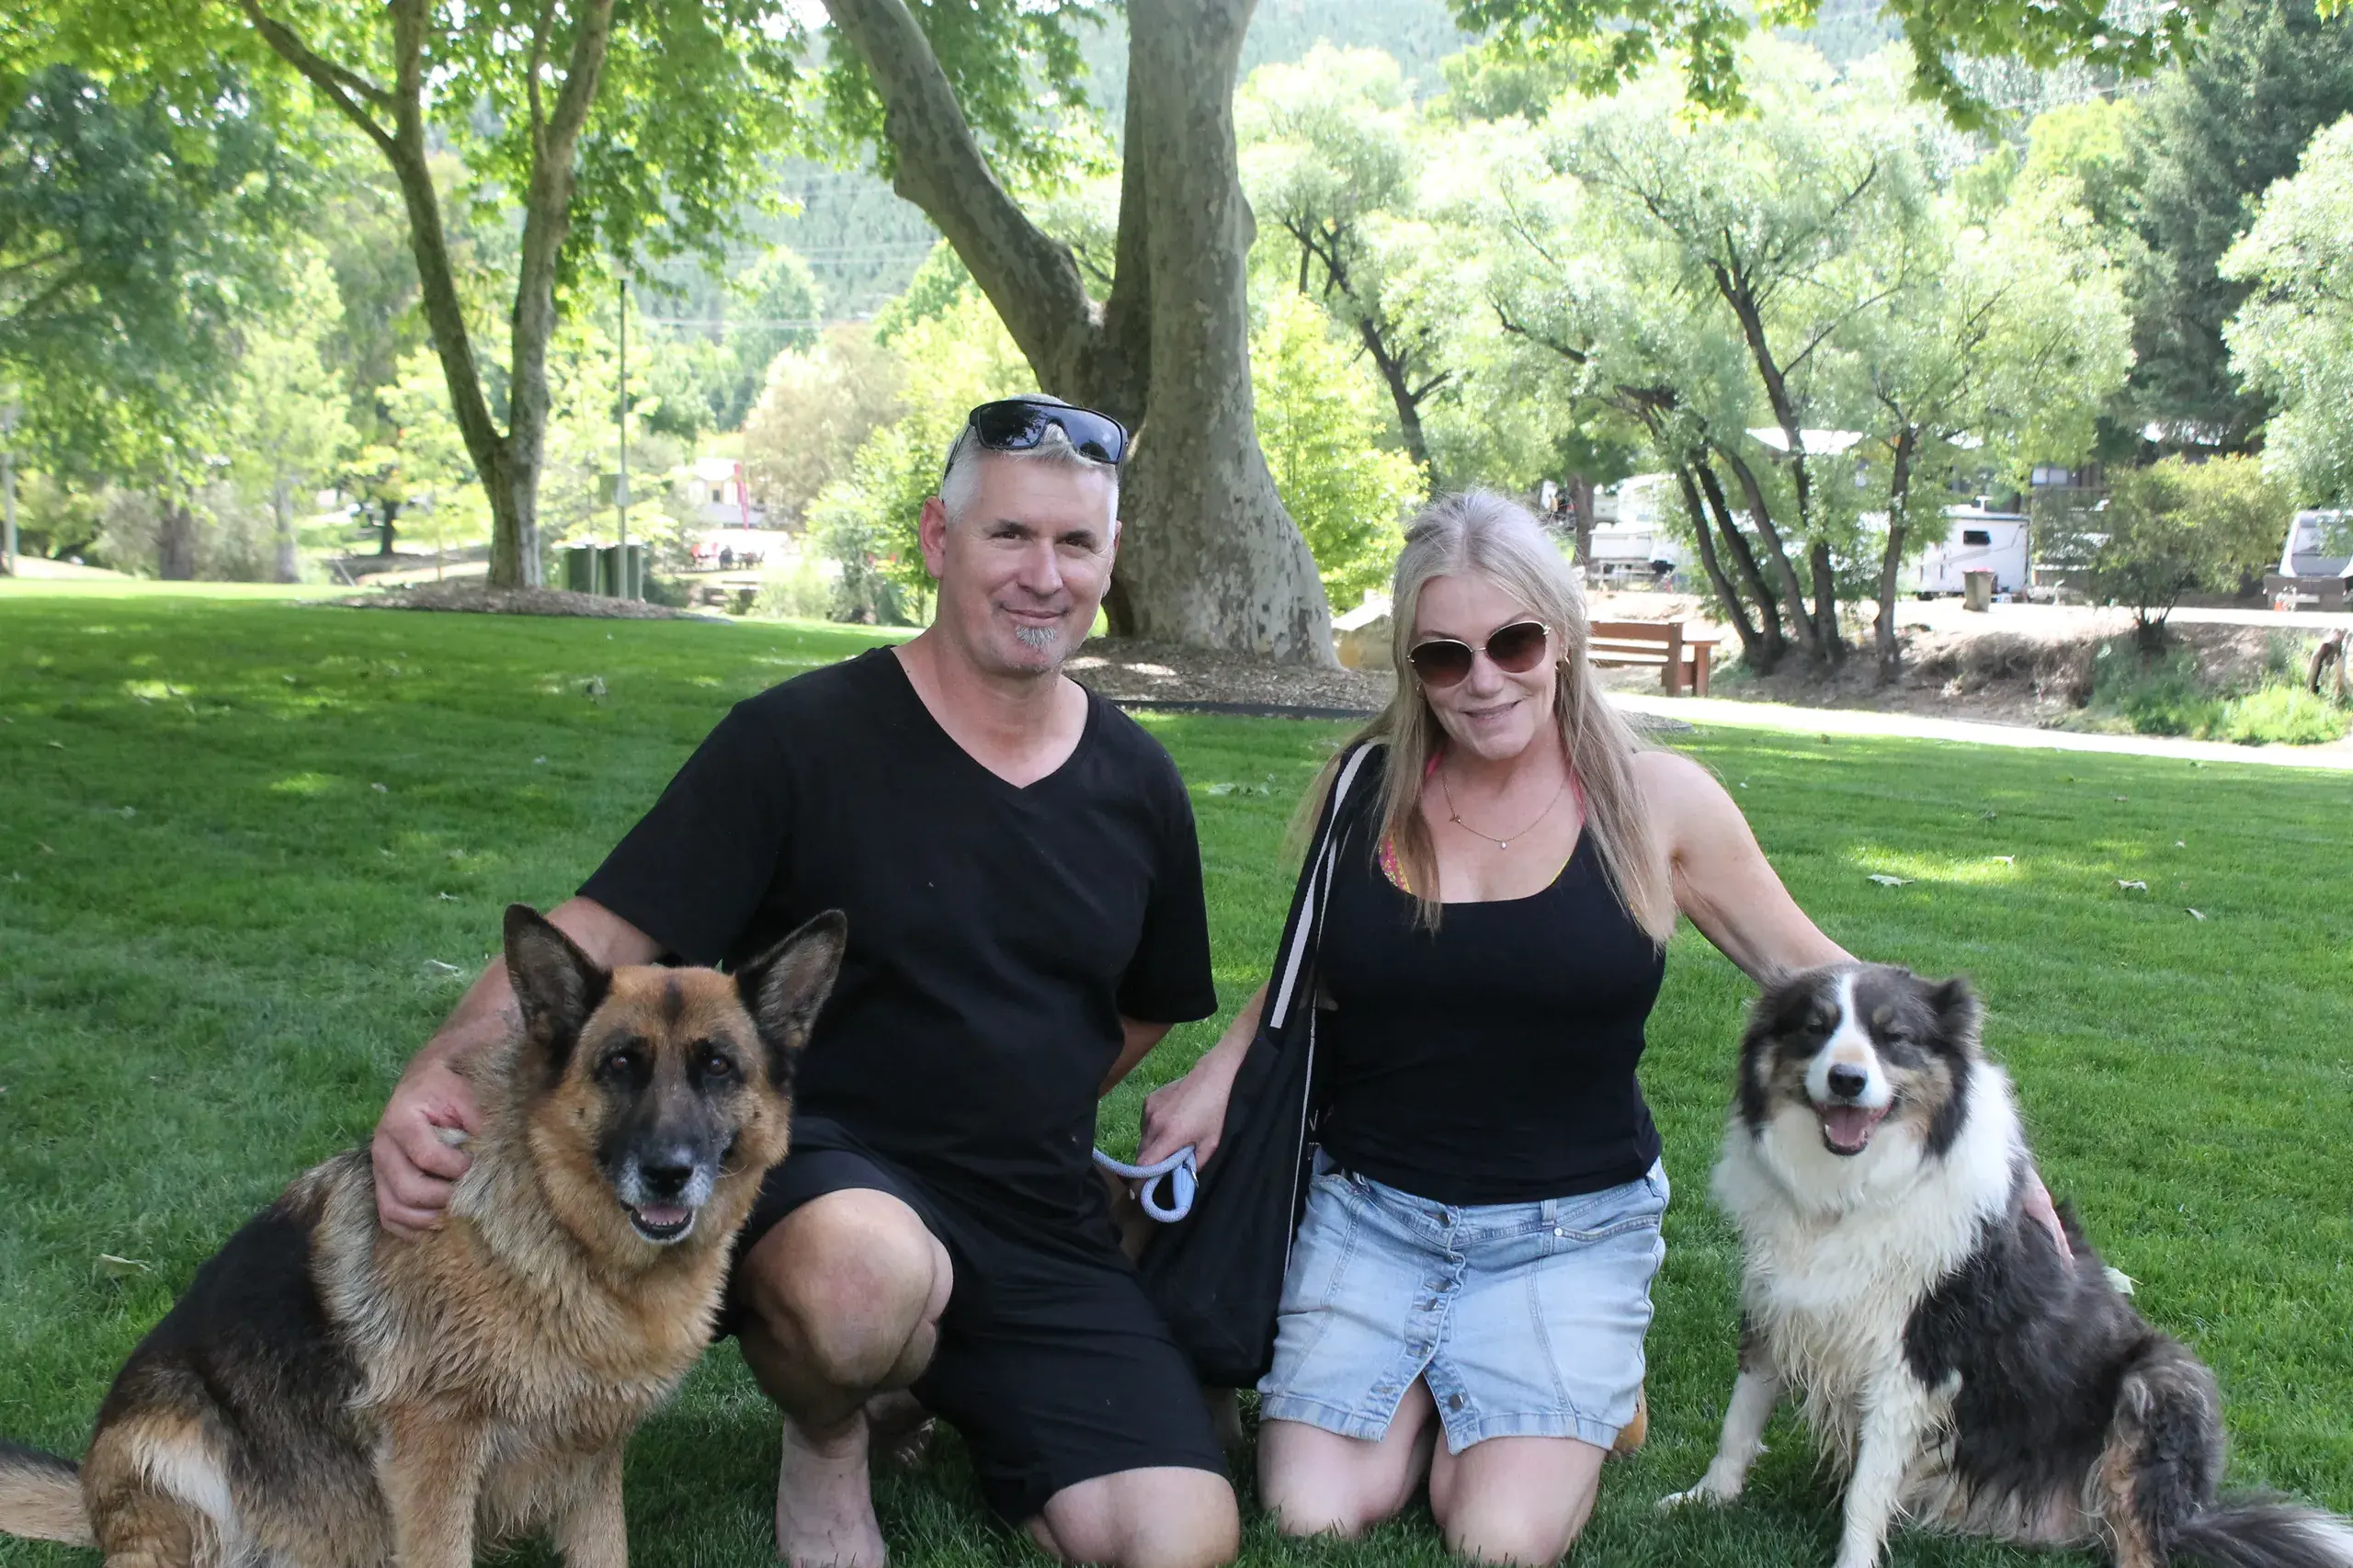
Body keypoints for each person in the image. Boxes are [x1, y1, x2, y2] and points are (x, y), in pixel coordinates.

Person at [369, 396, 1240, 1568]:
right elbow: (599, 929)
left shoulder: (1138, 782)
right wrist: (438, 1074)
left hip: (1033, 1212)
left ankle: (944, 1390)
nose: (1043, 574)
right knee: (859, 1280)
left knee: (1180, 1537)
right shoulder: (796, 739)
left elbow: (1140, 1006)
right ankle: (831, 1431)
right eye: (1009, 535)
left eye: (1074, 543)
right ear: (939, 538)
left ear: (1109, 558)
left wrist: (1014, 1094)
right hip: (827, 1186)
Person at [1138, 490, 2011, 1565]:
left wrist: (1989, 1137)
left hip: (1566, 1228)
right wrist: (1218, 1077)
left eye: (1512, 641)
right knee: (1315, 1512)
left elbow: (1817, 972)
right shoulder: (1365, 791)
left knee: (1496, 1535)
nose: (1483, 680)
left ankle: (1567, 1390)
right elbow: (1308, 976)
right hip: (1370, 1209)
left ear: (1562, 637)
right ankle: (1455, 1383)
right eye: (1444, 657)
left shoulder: (1658, 802)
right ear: (1411, 667)